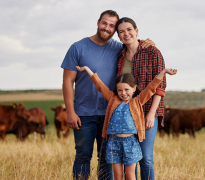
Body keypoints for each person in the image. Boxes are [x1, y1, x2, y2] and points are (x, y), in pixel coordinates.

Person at [61, 10, 155, 180]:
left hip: (111, 114)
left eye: (112, 26)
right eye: (104, 23)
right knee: (83, 156)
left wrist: (148, 43)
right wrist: (70, 111)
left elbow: (134, 44)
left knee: (106, 159)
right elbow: (68, 82)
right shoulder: (77, 47)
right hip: (83, 113)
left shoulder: (119, 48)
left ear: (115, 31)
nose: (107, 28)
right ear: (98, 22)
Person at [76, 65, 177, 180]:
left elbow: (151, 88)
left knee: (130, 175)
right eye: (120, 90)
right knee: (118, 176)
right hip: (114, 143)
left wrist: (163, 72)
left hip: (130, 144)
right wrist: (87, 70)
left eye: (126, 89)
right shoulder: (113, 100)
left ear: (134, 88)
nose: (123, 93)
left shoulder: (138, 101)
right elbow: (100, 86)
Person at [115, 17, 166, 180]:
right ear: (118, 35)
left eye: (129, 29)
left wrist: (152, 114)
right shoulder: (120, 56)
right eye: (121, 31)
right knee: (130, 158)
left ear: (136, 31)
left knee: (145, 157)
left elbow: (160, 86)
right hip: (127, 113)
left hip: (147, 111)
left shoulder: (152, 52)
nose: (126, 33)